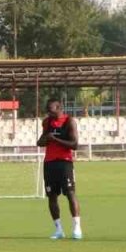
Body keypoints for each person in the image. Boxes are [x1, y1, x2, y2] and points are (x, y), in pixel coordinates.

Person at [37, 97, 82, 240]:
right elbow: (40, 142)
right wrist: (46, 139)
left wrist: (55, 139)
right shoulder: (47, 122)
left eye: (51, 111)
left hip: (65, 162)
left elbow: (74, 144)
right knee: (52, 197)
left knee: (70, 194)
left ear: (59, 108)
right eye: (47, 111)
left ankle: (77, 227)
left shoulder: (69, 122)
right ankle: (59, 229)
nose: (48, 113)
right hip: (49, 163)